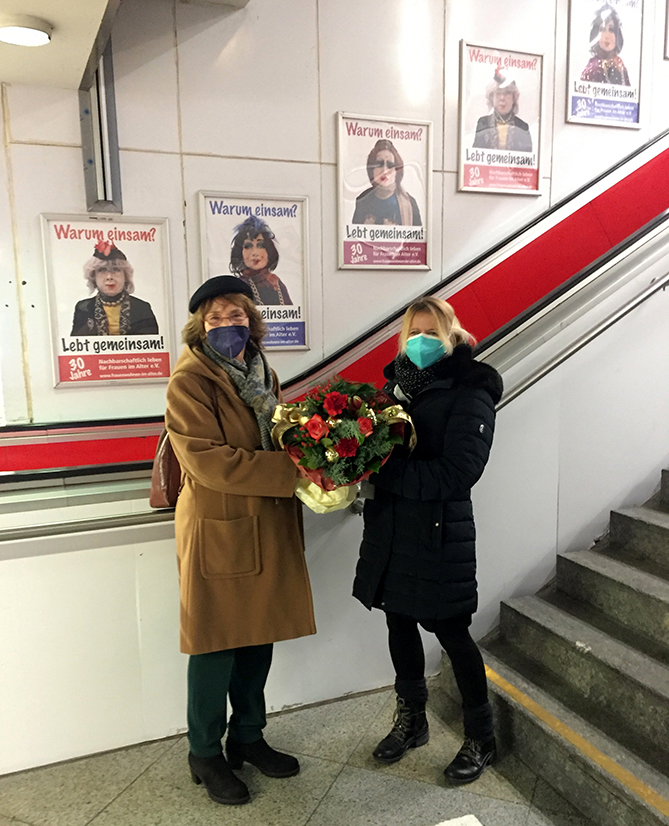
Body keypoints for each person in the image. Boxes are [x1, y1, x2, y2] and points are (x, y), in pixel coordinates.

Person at [165, 275, 315, 806]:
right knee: (216, 641)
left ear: (251, 321)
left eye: (236, 316)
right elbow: (207, 461)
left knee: (259, 632)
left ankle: (248, 737)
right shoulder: (189, 380)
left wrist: (316, 449)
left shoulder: (262, 371)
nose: (227, 325)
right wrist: (289, 472)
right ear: (199, 326)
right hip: (220, 524)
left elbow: (273, 433)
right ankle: (204, 752)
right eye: (215, 318)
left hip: (265, 520)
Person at [353, 296, 503, 784]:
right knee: (398, 622)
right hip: (392, 531)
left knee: (453, 635)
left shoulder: (471, 389)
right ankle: (412, 720)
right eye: (413, 333)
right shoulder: (393, 391)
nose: (420, 342)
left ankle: (482, 735)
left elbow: (460, 472)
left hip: (440, 535)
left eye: (431, 333)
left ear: (451, 334)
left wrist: (386, 471)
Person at [70, 241, 158, 335]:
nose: (109, 277)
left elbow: (152, 345)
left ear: (125, 276)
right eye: (102, 270)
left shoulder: (142, 308)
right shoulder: (83, 308)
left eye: (116, 269)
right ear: (93, 276)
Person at [352, 139, 422, 226]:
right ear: (372, 170)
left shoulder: (410, 203)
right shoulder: (362, 201)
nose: (384, 171)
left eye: (390, 165)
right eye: (379, 164)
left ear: (397, 171)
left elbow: (418, 238)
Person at [229, 215, 292, 306]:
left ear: (269, 250)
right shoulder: (238, 287)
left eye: (260, 245)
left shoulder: (276, 283)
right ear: (240, 252)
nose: (255, 253)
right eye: (248, 246)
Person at [473, 72, 532, 152]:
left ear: (514, 98)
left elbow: (527, 160)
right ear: (491, 97)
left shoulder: (522, 127)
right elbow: (476, 155)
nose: (502, 98)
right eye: (498, 93)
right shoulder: (483, 123)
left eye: (507, 93)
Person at [580, 4, 630, 85]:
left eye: (611, 30)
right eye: (602, 30)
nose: (607, 36)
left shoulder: (620, 66)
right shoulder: (593, 68)